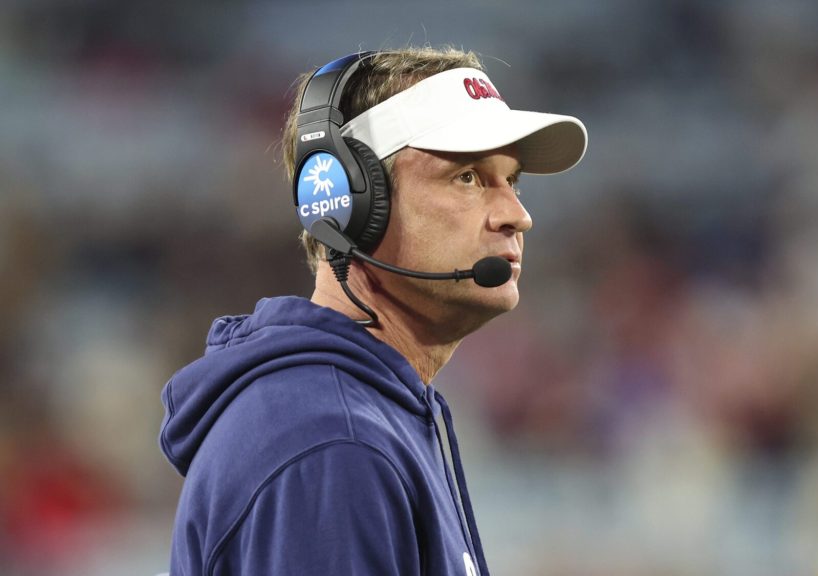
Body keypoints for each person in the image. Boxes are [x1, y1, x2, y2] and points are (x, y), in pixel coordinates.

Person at [158, 46, 587, 576]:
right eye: (468, 177)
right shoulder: (332, 445)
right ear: (347, 203)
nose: (517, 216)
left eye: (512, 181)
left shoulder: (362, 416)